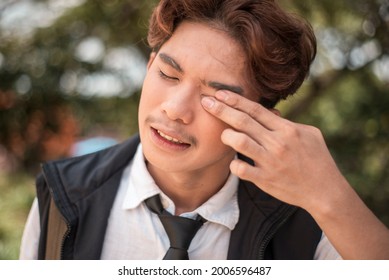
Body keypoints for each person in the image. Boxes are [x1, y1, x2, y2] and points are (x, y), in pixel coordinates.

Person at [20, 0, 389, 260]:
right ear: (149, 67)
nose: (175, 110)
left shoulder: (306, 224)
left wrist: (331, 195)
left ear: (258, 115)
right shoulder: (61, 196)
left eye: (217, 97)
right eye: (167, 74)